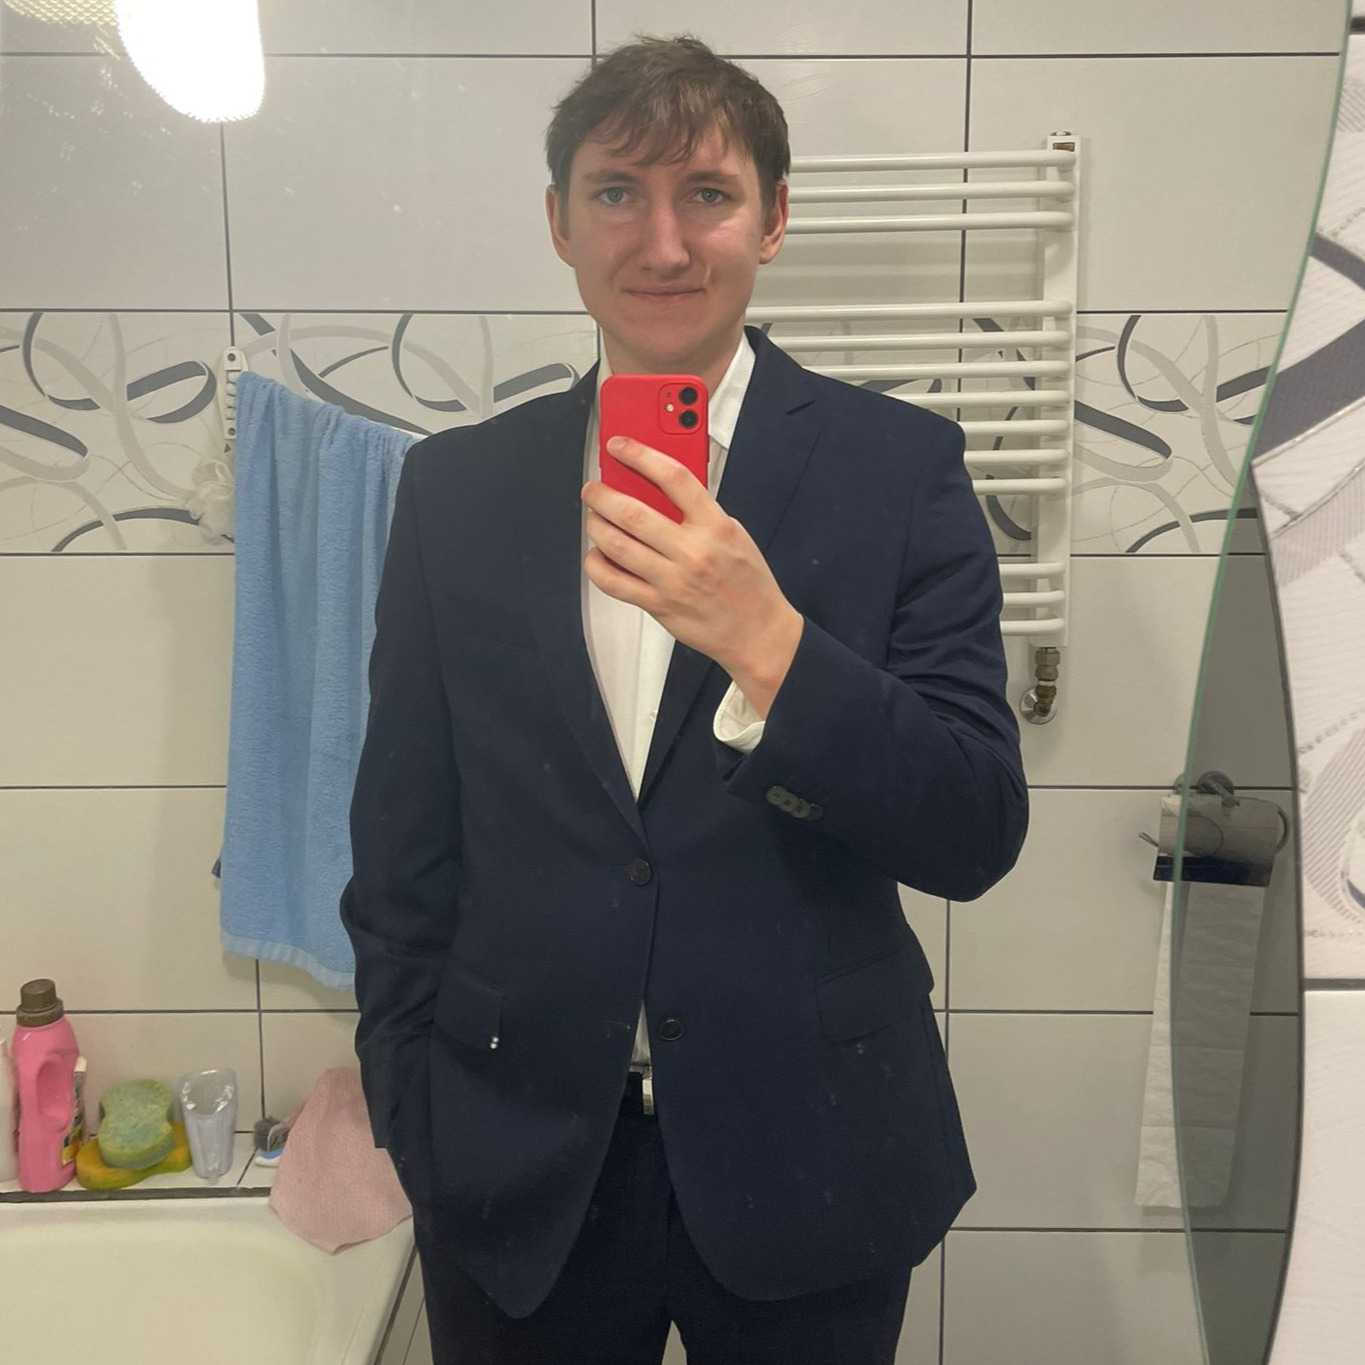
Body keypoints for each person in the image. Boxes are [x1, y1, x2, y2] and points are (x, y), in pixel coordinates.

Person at [340, 32, 1028, 1365]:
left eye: (705, 194)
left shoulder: (898, 472)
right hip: (514, 1163)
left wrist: (772, 646)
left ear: (771, 219)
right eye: (617, 192)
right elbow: (401, 844)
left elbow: (973, 830)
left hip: (815, 1154)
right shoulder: (457, 490)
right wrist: (413, 1114)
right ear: (559, 222)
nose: (661, 242)